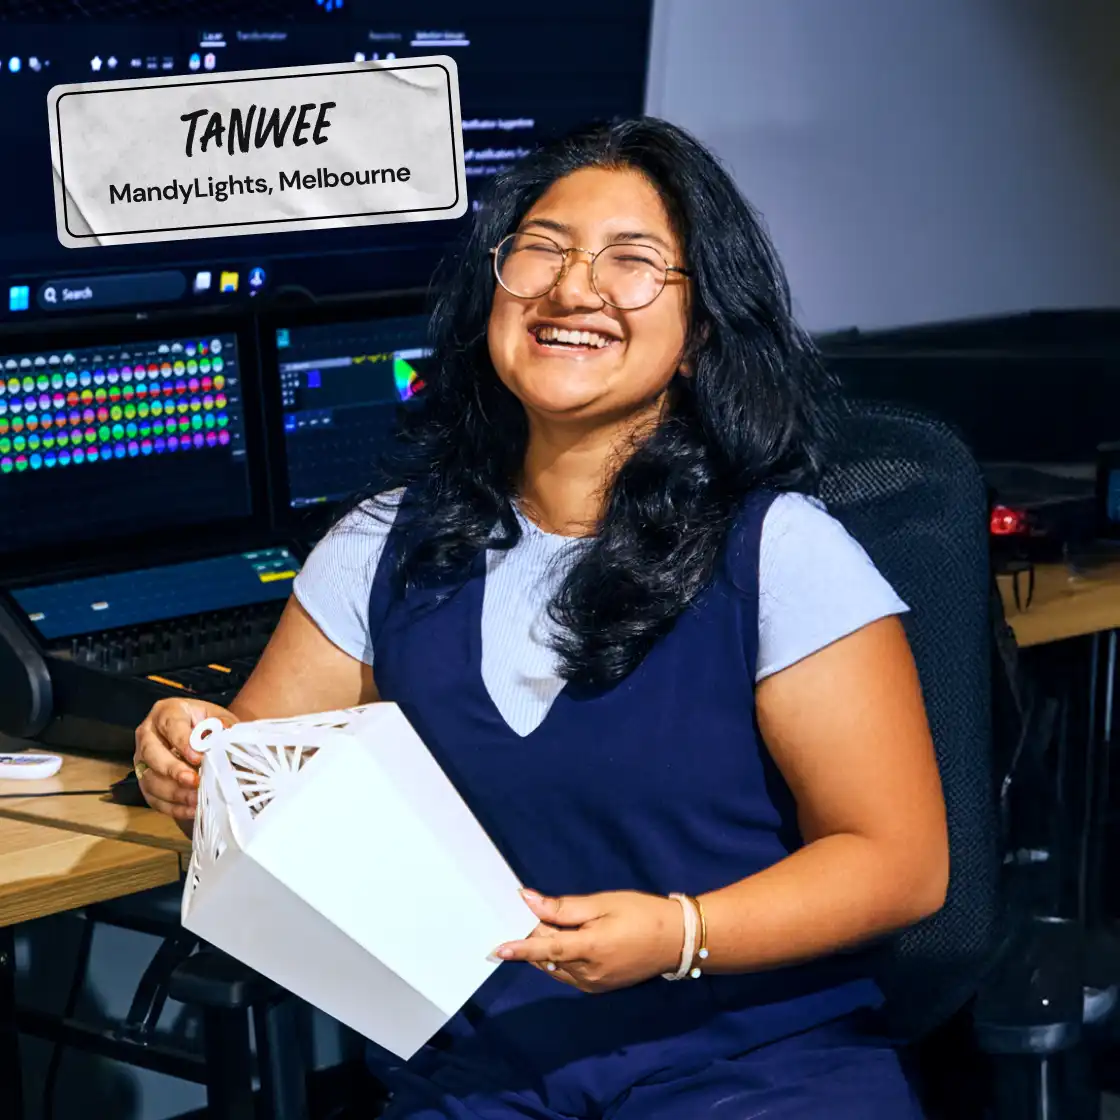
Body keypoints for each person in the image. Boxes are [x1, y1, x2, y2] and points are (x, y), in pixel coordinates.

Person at [135, 117, 949, 1118]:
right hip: (482, 1080)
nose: (572, 289)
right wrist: (185, 757)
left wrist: (678, 933)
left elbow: (899, 864)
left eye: (633, 262)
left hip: (752, 1067)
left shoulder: (781, 550)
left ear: (699, 333)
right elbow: (255, 781)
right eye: (543, 251)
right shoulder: (383, 542)